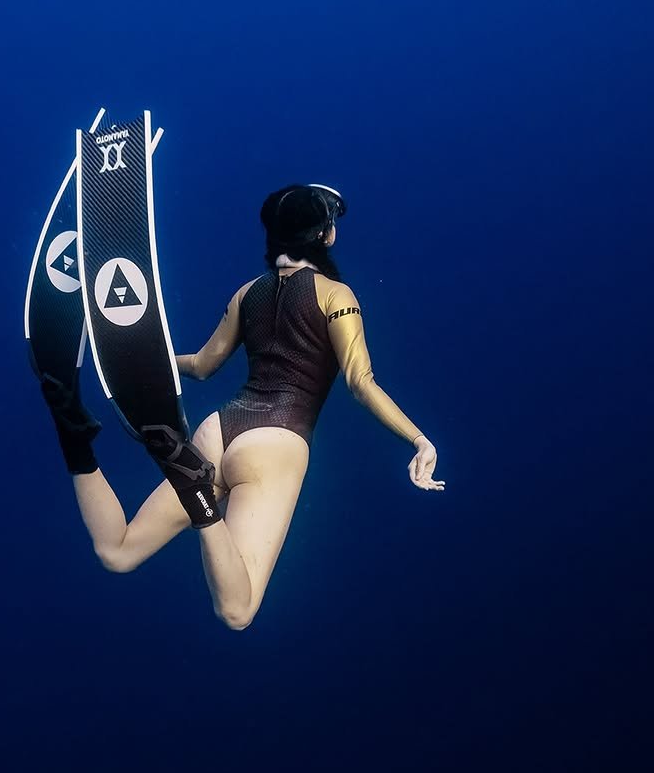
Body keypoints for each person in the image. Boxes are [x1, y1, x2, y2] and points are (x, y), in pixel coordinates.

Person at [41, 183, 444, 630]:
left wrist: (145, 358)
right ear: (325, 235)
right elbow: (360, 381)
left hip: (217, 429)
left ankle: (75, 441)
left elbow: (201, 366)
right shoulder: (337, 296)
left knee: (117, 552)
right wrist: (418, 440)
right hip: (276, 443)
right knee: (236, 611)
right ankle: (199, 497)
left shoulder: (247, 293)